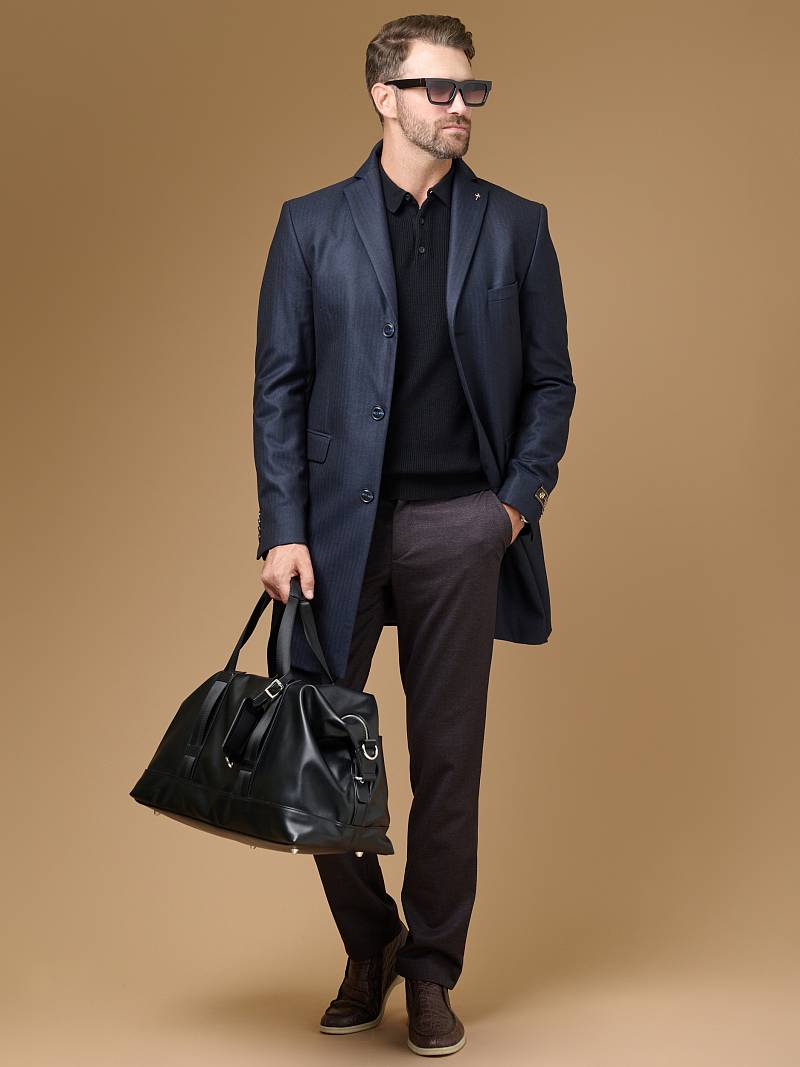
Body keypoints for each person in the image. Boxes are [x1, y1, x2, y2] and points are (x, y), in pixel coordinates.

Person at [252, 13, 576, 1057]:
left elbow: (550, 383)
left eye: (470, 90)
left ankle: (430, 970)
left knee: (446, 766)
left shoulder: (516, 226)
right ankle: (373, 940)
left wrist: (511, 506)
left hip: (459, 528)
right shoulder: (310, 225)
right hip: (333, 536)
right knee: (311, 756)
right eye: (439, 89)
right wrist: (282, 527)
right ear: (383, 97)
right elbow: (279, 388)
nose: (459, 106)